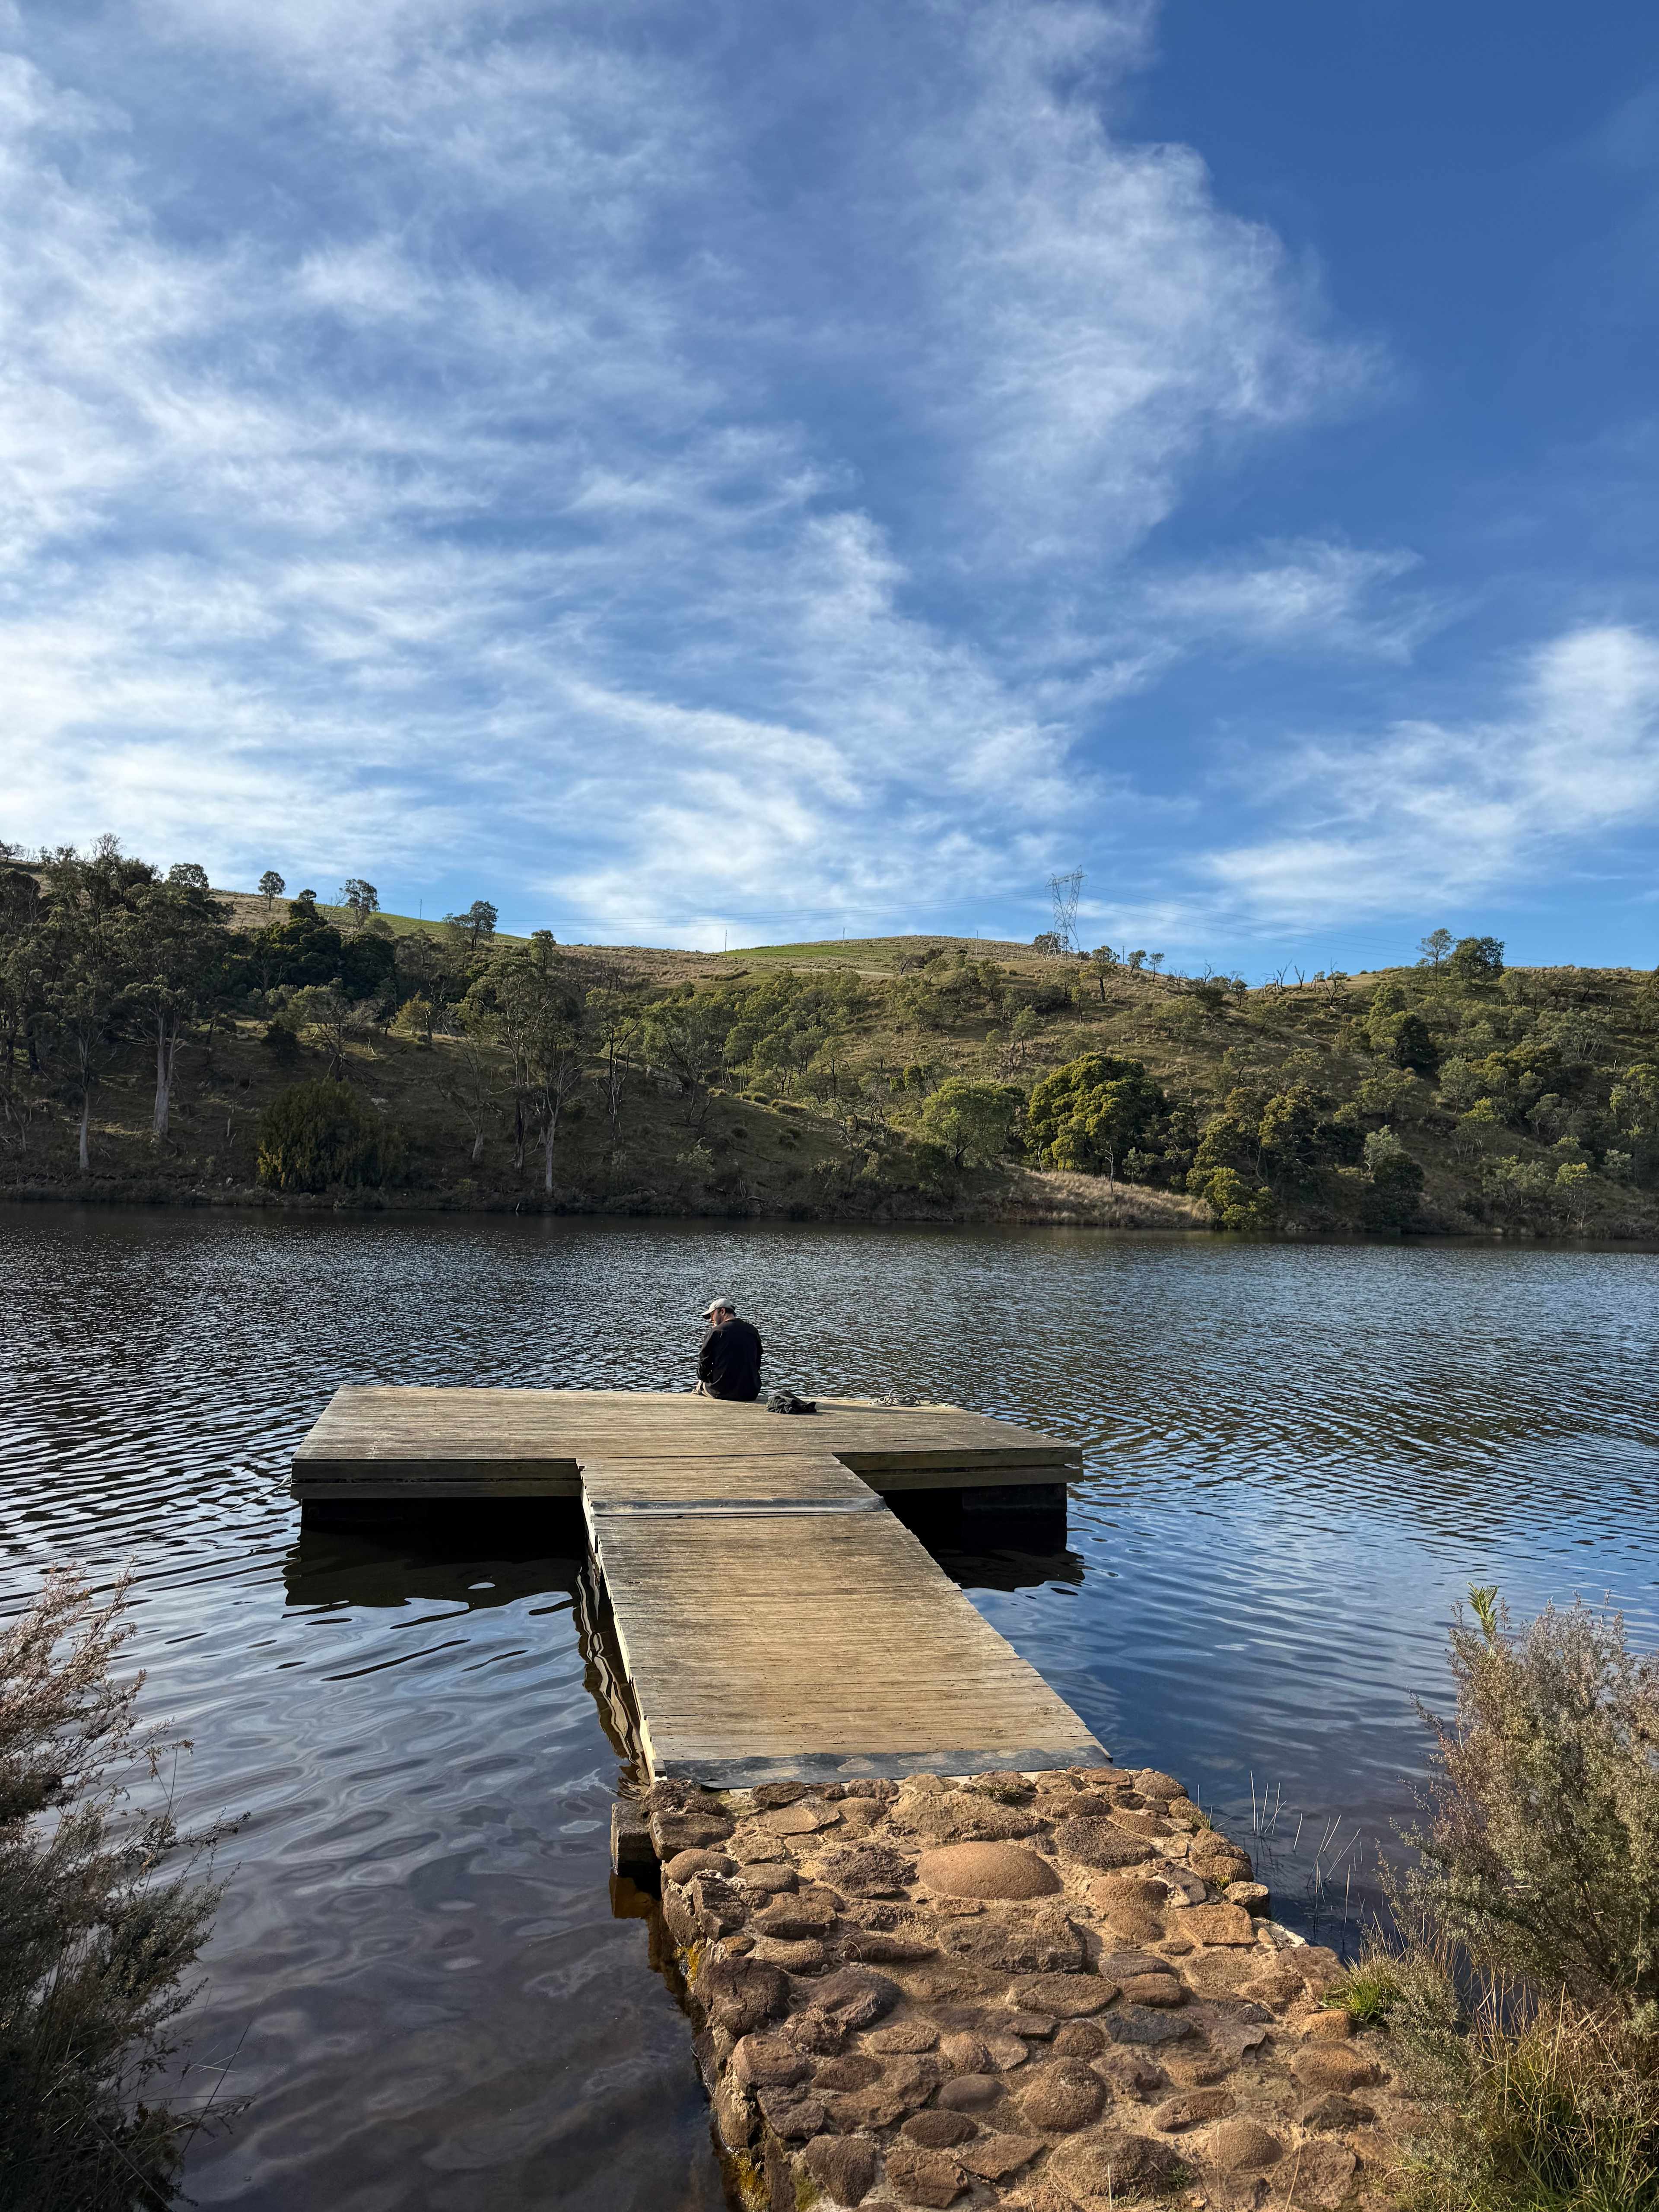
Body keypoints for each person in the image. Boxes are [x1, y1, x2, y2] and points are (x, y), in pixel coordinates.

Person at [696, 1297, 763, 1401]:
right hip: (750, 1392)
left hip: (721, 1392)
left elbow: (703, 1369)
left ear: (722, 1311)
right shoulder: (753, 1331)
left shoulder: (715, 1332)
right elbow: (757, 1364)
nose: (711, 1320)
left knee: (701, 1384)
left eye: (712, 1315)